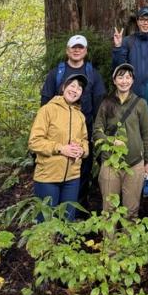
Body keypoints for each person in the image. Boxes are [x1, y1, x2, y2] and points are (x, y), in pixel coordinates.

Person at [40, 34, 105, 205]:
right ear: (67, 50)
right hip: (57, 133)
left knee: (82, 171)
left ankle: (77, 210)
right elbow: (45, 104)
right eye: (73, 47)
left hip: (83, 132)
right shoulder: (56, 73)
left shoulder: (93, 74)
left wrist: (97, 132)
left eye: (80, 47)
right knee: (55, 166)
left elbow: (99, 105)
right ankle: (54, 209)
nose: (77, 50)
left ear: (86, 51)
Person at [93, 63, 148, 221]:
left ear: (132, 80)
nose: (124, 81)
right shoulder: (106, 103)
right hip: (110, 163)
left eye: (128, 77)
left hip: (135, 164)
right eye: (120, 77)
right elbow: (97, 131)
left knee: (131, 211)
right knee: (108, 211)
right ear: (114, 80)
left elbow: (146, 134)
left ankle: (128, 239)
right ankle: (109, 239)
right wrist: (111, 142)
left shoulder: (141, 103)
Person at [29, 73, 89, 221]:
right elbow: (34, 142)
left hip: (72, 178)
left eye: (79, 88)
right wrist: (61, 148)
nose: (75, 90)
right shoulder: (47, 110)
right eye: (72, 86)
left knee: (67, 222)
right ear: (63, 87)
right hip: (48, 176)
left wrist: (82, 150)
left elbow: (85, 141)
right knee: (46, 223)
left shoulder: (80, 116)